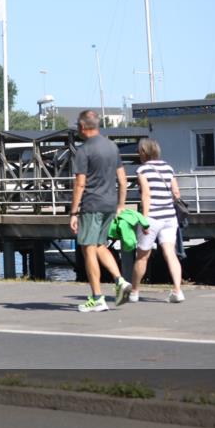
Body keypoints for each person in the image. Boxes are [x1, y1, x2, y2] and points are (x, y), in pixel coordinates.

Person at [69, 109, 133, 312]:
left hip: (92, 204)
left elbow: (80, 184)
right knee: (99, 245)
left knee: (88, 249)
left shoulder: (83, 150)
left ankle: (97, 297)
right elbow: (123, 180)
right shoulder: (112, 147)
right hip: (109, 204)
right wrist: (121, 205)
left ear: (82, 127)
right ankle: (120, 280)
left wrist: (73, 212)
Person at [131, 138, 185, 303]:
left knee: (142, 255)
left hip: (152, 217)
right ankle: (177, 290)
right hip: (169, 217)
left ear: (143, 152)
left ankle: (134, 291)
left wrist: (144, 219)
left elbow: (145, 195)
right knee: (170, 253)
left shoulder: (143, 170)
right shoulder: (168, 167)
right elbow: (176, 193)